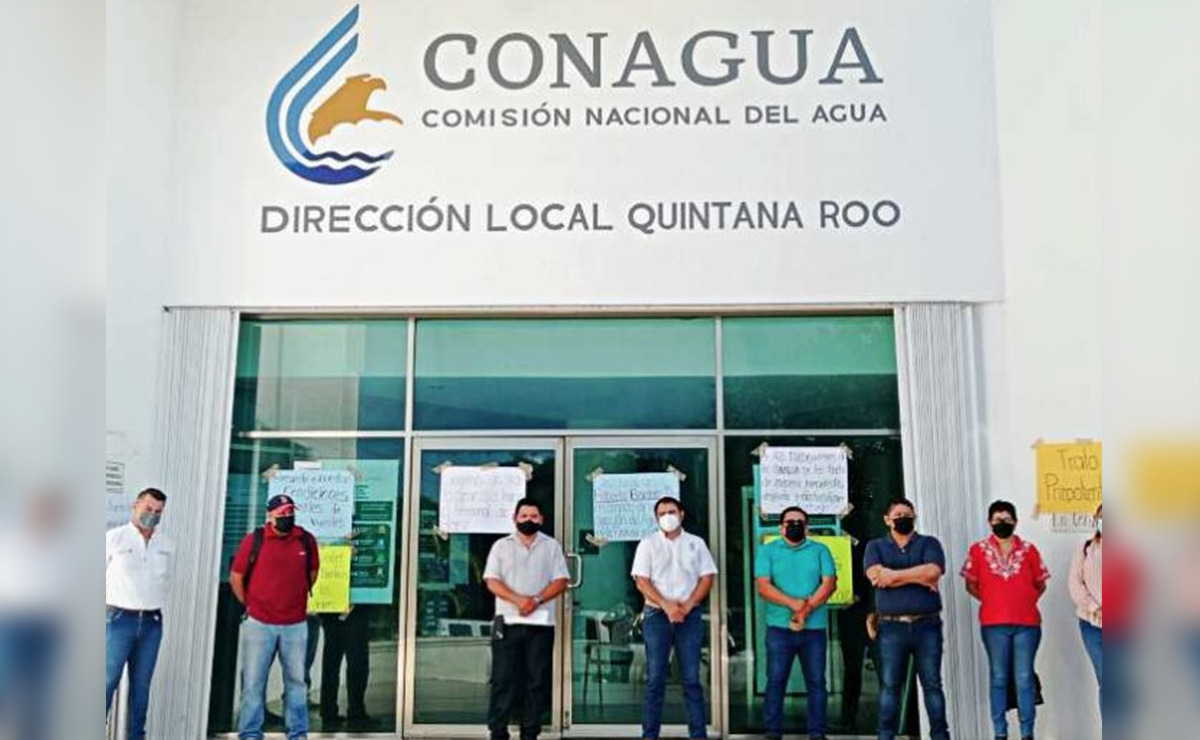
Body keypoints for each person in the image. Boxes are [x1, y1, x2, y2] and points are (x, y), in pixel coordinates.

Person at [231, 494, 320, 740]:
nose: (287, 517)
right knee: (253, 681)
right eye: (282, 513)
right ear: (270, 515)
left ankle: (297, 733)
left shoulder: (306, 540)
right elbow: (236, 576)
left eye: (290, 512)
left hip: (295, 624)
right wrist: (250, 605)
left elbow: (313, 573)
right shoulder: (254, 540)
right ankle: (250, 733)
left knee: (297, 682)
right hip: (260, 623)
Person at [483, 499, 570, 740]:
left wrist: (536, 600)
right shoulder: (501, 546)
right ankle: (498, 730)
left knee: (536, 680)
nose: (528, 520)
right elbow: (491, 581)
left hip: (541, 623)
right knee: (503, 679)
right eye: (524, 516)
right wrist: (519, 600)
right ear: (515, 518)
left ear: (541, 519)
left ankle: (530, 732)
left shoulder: (551, 546)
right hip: (507, 622)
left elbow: (561, 580)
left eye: (533, 516)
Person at [961, 501, 1049, 740]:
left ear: (1016, 522)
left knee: (1024, 678)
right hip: (993, 625)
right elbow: (971, 584)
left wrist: (1023, 601)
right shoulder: (978, 550)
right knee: (998, 677)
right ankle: (1000, 732)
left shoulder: (1029, 550)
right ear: (990, 522)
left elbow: (1040, 584)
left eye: (1007, 520)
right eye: (998, 520)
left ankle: (1027, 732)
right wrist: (993, 601)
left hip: (1027, 624)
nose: (1003, 524)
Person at [632, 496, 718, 740]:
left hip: (689, 617)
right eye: (662, 514)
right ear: (656, 518)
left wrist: (688, 605)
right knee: (655, 679)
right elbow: (641, 581)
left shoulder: (696, 543)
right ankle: (650, 735)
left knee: (691, 679)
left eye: (671, 511)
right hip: (657, 616)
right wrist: (667, 605)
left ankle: (698, 734)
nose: (667, 517)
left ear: (681, 514)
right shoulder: (648, 544)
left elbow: (707, 577)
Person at [864, 497, 950, 740]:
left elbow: (933, 571)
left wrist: (892, 575)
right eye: (898, 515)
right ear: (887, 520)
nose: (903, 519)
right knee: (890, 686)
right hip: (891, 627)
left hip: (927, 625)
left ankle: (940, 736)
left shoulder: (929, 543)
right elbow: (875, 576)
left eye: (907, 515)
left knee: (932, 685)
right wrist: (918, 576)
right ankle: (886, 736)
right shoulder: (875, 547)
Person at [755, 506, 837, 740]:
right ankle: (773, 733)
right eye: (790, 522)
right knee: (776, 681)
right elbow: (763, 587)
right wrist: (794, 603)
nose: (795, 526)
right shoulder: (767, 551)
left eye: (799, 522)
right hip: (779, 629)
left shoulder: (820, 550)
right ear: (781, 527)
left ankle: (817, 733)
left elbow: (829, 584)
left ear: (807, 527)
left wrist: (806, 609)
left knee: (817, 682)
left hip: (814, 629)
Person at [105, 488, 173, 740]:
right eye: (148, 509)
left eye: (158, 511)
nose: (152, 515)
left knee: (141, 687)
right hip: (118, 620)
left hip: (151, 623)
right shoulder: (114, 539)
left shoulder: (166, 545)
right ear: (135, 506)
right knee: (106, 681)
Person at [1068, 505, 1103, 721]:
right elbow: (1075, 583)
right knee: (1106, 681)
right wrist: (1095, 607)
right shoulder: (1085, 549)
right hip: (1092, 625)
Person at [319, 606, 373, 729]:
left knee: (331, 662)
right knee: (357, 661)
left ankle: (329, 709)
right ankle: (355, 709)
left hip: (332, 611)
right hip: (355, 611)